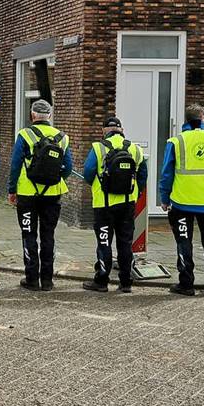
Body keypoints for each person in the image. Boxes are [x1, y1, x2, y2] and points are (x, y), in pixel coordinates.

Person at [159, 104, 204, 296]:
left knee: (184, 242)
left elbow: (167, 174)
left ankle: (186, 284)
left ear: (186, 120)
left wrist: (164, 198)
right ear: (203, 118)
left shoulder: (176, 142)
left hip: (182, 203)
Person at [7, 100, 71, 292]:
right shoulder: (62, 137)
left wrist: (12, 190)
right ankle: (48, 280)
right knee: (48, 235)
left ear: (32, 115)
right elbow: (68, 167)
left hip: (27, 194)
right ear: (49, 116)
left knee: (28, 234)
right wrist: (55, 178)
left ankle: (31, 279)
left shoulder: (24, 135)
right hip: (53, 194)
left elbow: (16, 164)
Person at [80, 116, 148, 294]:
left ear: (104, 131)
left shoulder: (98, 147)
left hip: (103, 205)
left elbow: (88, 173)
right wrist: (135, 193)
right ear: (121, 129)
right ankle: (126, 282)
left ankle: (101, 280)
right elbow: (143, 176)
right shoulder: (135, 149)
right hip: (127, 205)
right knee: (125, 243)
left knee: (104, 242)